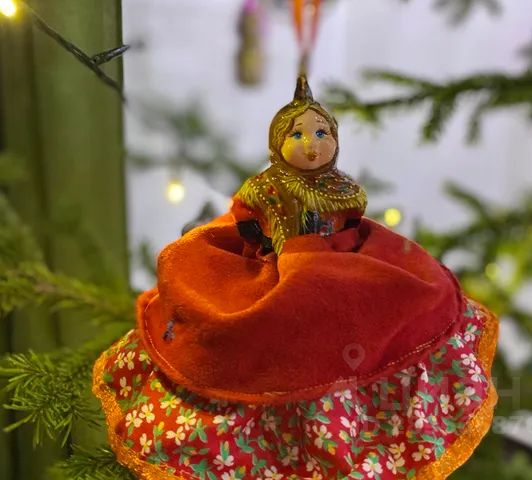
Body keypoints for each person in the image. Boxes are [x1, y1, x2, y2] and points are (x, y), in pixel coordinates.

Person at [94, 75, 499, 480]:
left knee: (376, 310)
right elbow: (247, 221)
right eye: (298, 134)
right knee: (268, 327)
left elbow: (351, 221)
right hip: (277, 259)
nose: (311, 144)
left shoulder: (341, 188)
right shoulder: (265, 188)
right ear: (278, 143)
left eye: (322, 132)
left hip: (337, 263)